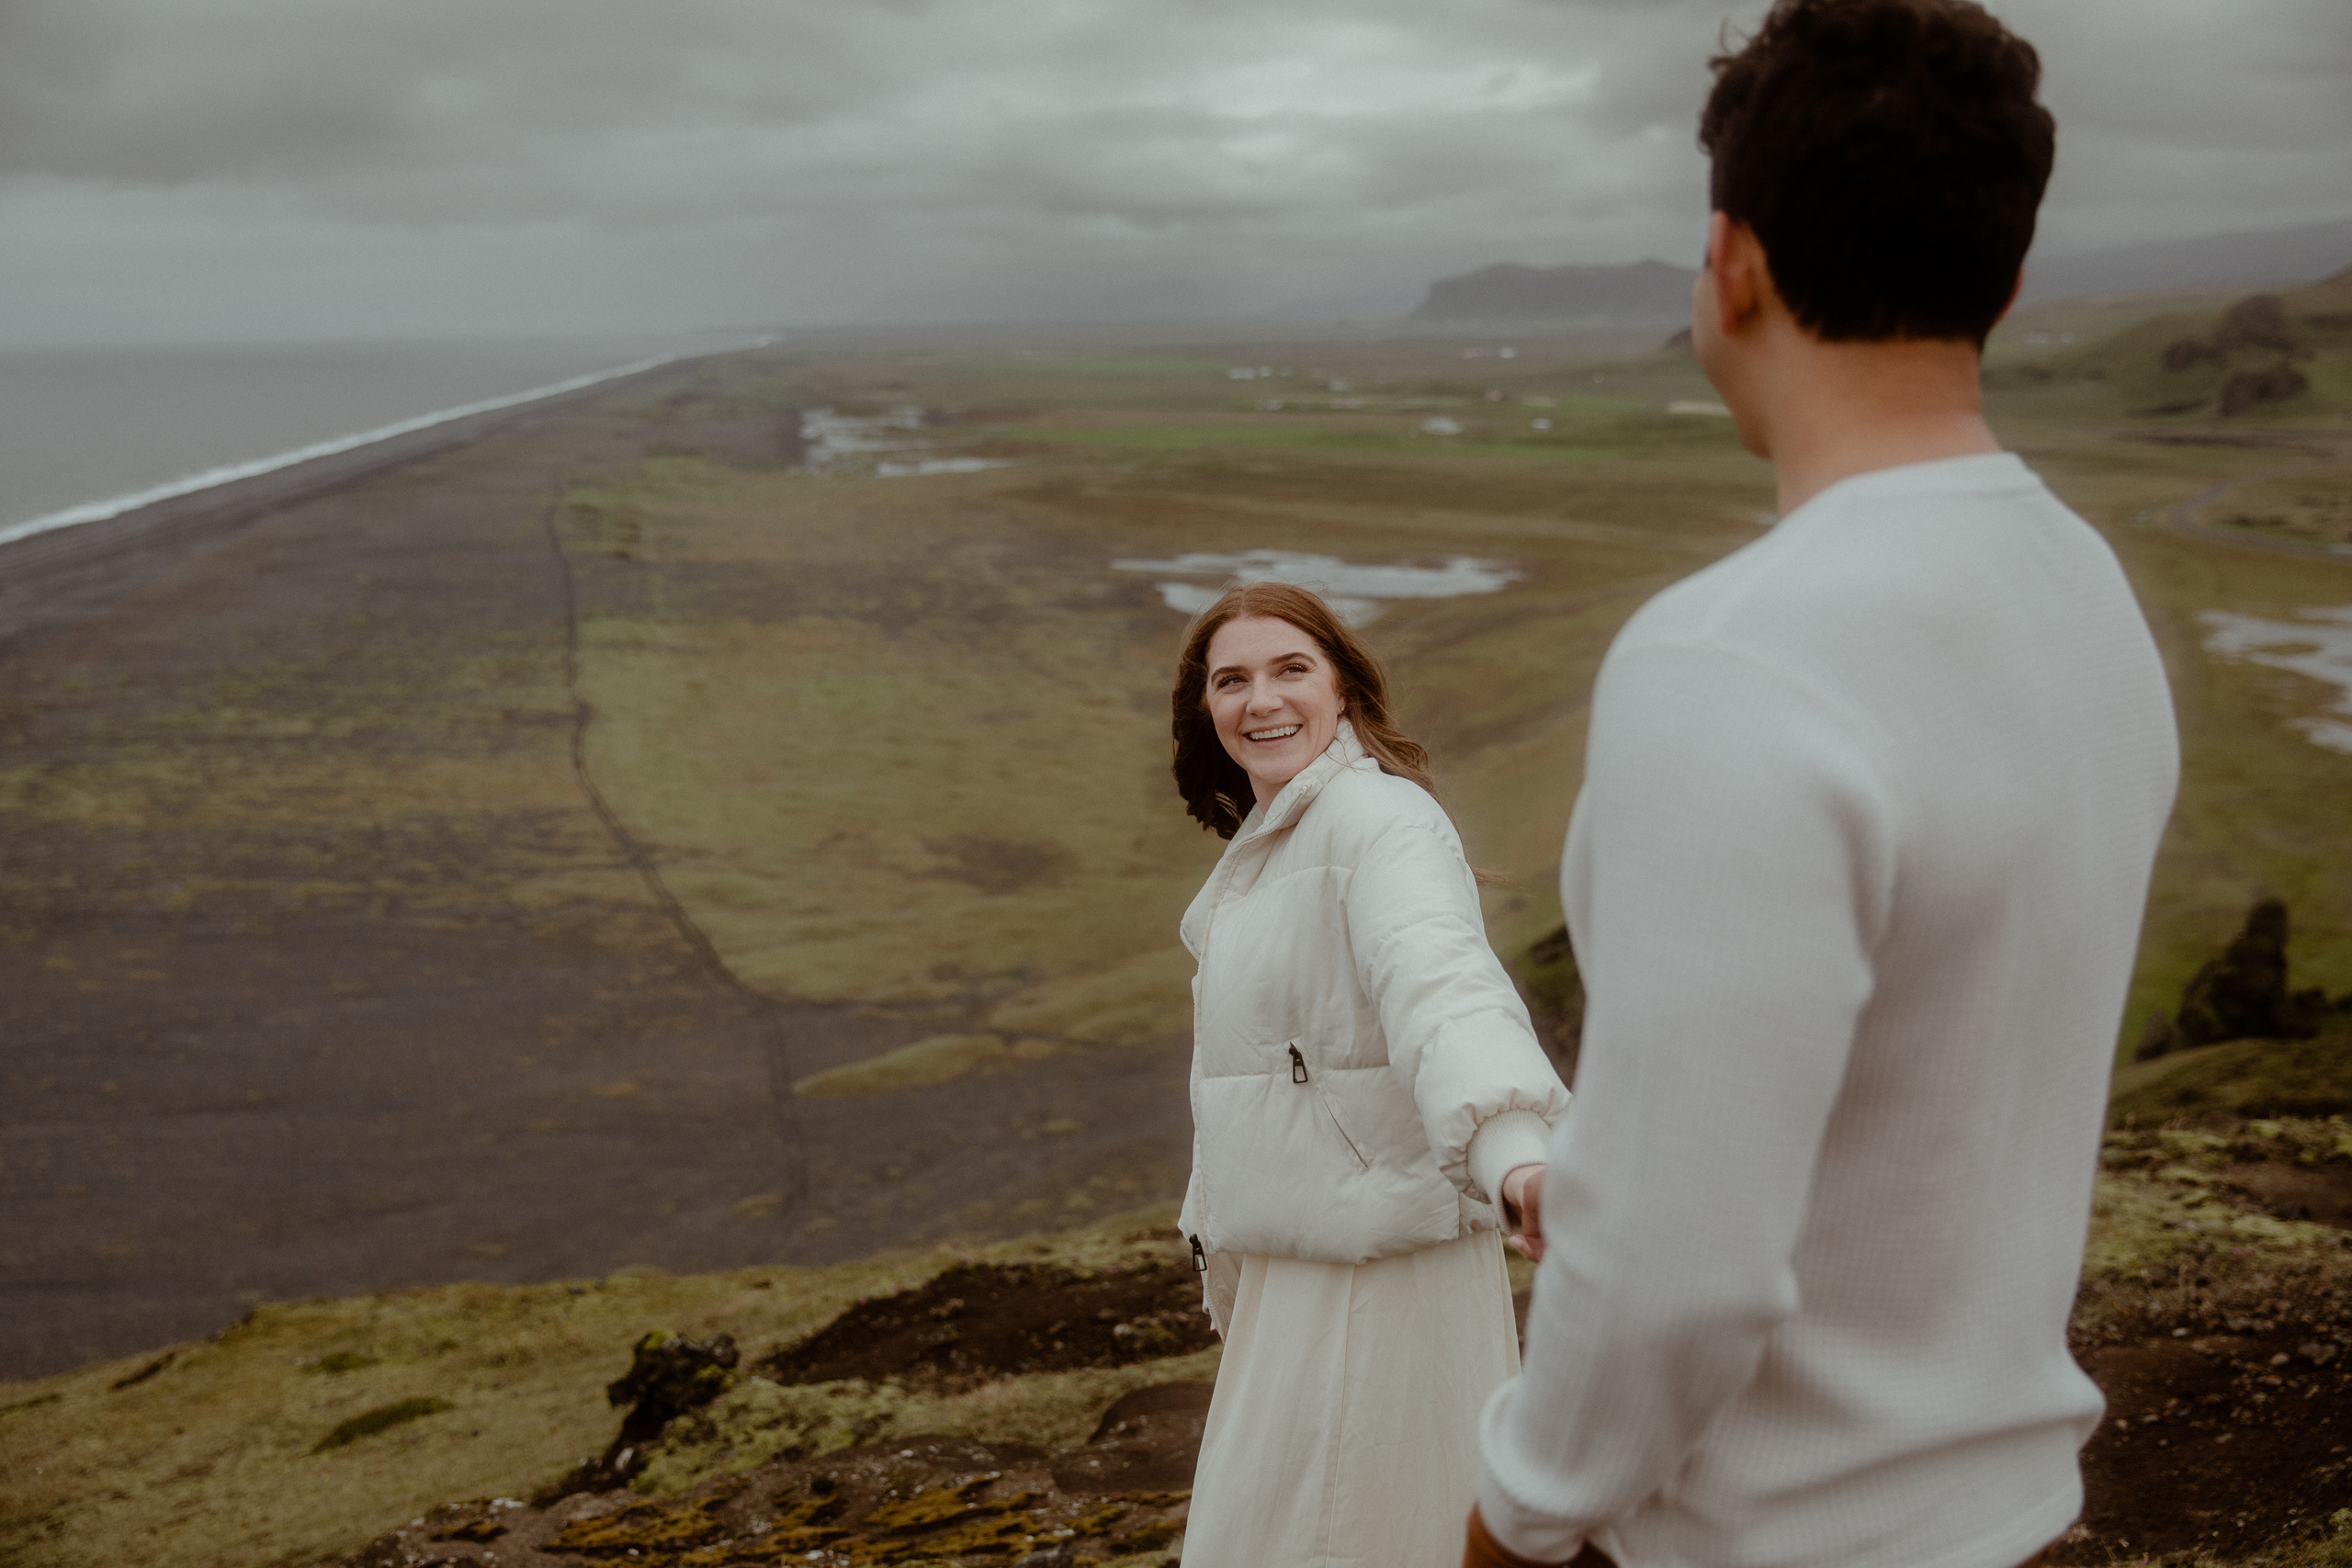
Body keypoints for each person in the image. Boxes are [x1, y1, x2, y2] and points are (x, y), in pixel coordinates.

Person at [1467, 3, 2180, 1566]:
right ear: (2004, 280)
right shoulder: (2089, 589)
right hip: (2007, 1518)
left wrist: (1513, 1515)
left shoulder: (1729, 658)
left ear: (1731, 265)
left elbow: (1674, 1271)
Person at [1169, 581, 1571, 1568]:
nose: (1261, 700)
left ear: (1342, 687)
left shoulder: (1377, 821)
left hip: (1376, 1268)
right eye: (1231, 680)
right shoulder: (1276, 848)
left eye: (1290, 669)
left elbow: (1441, 984)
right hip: (1303, 1258)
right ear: (1205, 708)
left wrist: (1515, 1154)